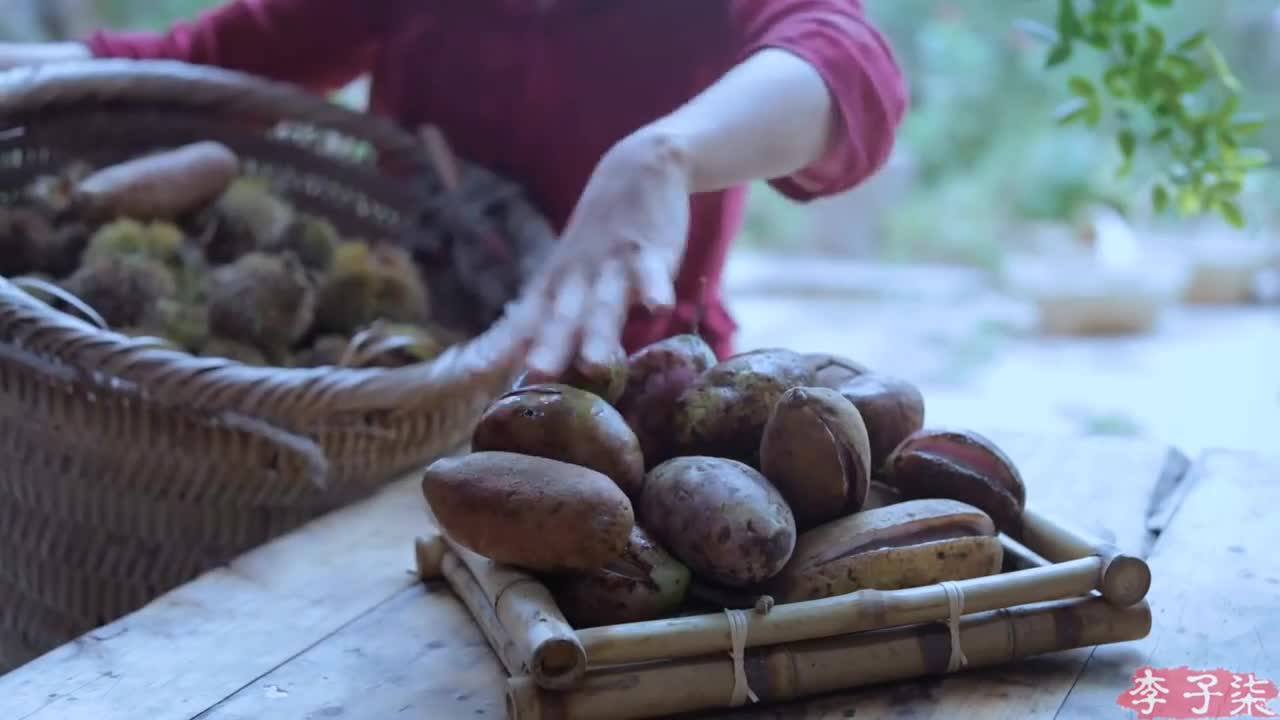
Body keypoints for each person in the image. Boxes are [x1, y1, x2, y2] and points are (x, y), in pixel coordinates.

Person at [0, 0, 907, 382]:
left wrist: (662, 154)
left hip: (629, 390)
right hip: (402, 383)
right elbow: (202, 60)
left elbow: (849, 71)